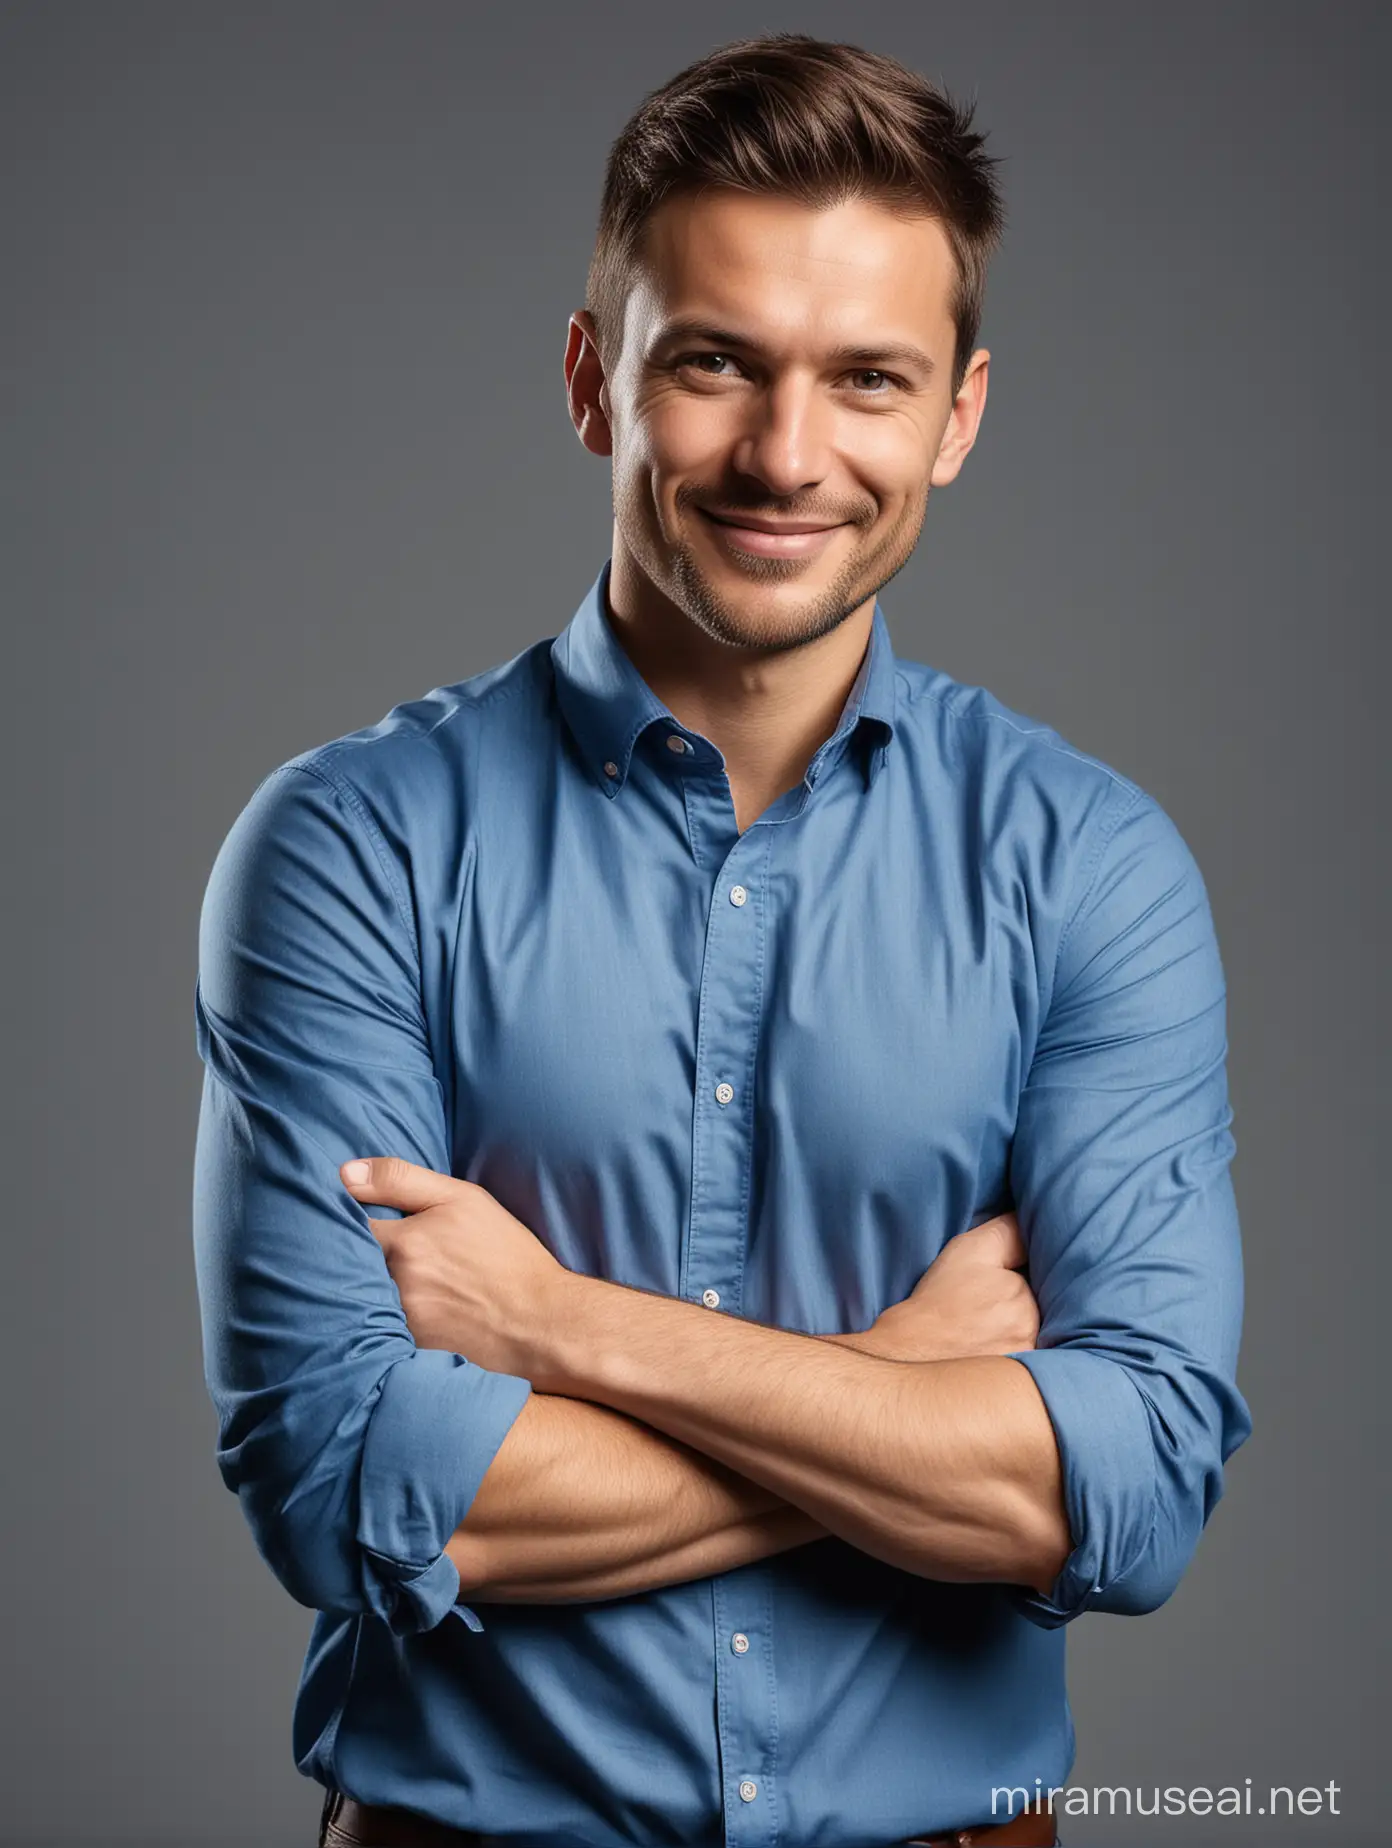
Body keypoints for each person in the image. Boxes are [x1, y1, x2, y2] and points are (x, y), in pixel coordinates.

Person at [192, 32, 1251, 1848]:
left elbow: (1131, 1493)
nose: (787, 454)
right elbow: (357, 1489)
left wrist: (566, 1331)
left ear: (958, 418)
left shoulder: (1091, 868)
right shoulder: (352, 847)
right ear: (598, 379)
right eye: (716, 365)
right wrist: (914, 1382)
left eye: (869, 380)